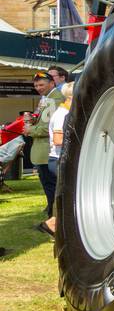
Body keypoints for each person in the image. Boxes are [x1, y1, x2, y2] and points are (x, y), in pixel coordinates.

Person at [24, 71, 64, 219]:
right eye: (36, 85)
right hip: (44, 151)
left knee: (51, 188)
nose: (38, 87)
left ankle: (53, 221)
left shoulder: (53, 100)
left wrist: (30, 129)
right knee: (50, 188)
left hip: (47, 151)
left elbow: (48, 129)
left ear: (52, 83)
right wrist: (31, 119)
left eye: (41, 84)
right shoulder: (47, 98)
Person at [39, 83, 74, 238]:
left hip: (59, 159)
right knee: (66, 195)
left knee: (65, 195)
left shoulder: (64, 113)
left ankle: (55, 225)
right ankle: (52, 224)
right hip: (59, 159)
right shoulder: (61, 115)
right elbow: (59, 140)